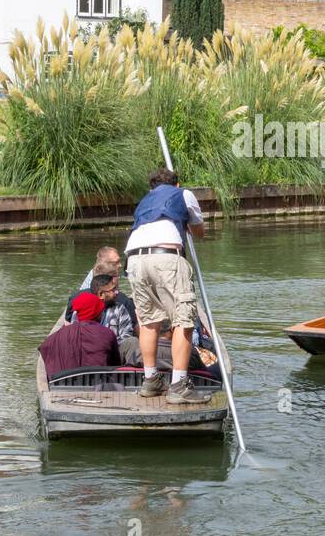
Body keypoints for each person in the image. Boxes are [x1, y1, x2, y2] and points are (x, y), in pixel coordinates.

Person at [124, 168, 206, 404]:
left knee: (149, 322)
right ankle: (179, 385)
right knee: (183, 320)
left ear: (152, 188)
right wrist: (189, 225)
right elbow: (200, 232)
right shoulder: (184, 194)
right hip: (166, 257)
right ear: (177, 185)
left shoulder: (144, 202)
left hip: (135, 259)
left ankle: (151, 381)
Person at [38, 291, 121, 376]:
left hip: (64, 382)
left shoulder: (56, 337)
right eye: (100, 310)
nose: (102, 313)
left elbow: (44, 348)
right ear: (95, 312)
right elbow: (116, 364)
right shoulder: (107, 333)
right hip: (98, 381)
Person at [70, 273, 138, 363]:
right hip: (87, 353)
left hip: (113, 352)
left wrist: (107, 345)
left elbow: (126, 333)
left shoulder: (119, 308)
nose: (116, 293)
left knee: (132, 341)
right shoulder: (82, 309)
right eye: (113, 290)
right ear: (101, 294)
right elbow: (74, 334)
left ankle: (128, 372)